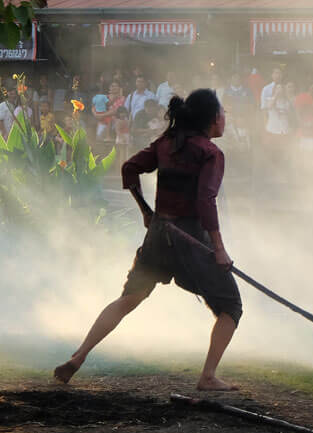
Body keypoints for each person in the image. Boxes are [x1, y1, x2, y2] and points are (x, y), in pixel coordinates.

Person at [53, 89, 242, 391]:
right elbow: (206, 201)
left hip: (158, 235)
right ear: (212, 118)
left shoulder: (167, 144)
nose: (225, 118)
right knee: (231, 306)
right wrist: (219, 249)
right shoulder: (210, 153)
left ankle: (78, 356)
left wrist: (146, 212)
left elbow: (129, 168)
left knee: (129, 298)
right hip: (191, 240)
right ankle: (207, 376)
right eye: (223, 112)